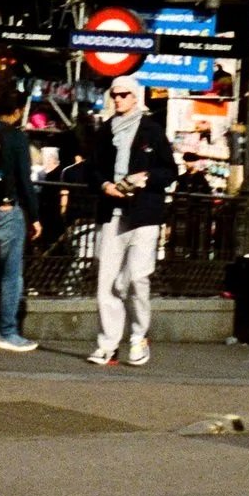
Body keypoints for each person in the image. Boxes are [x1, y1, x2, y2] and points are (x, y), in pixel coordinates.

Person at [87, 75, 177, 368]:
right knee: (105, 283)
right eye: (114, 94)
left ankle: (139, 335)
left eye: (124, 95)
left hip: (144, 213)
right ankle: (108, 344)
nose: (118, 99)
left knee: (137, 277)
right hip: (112, 211)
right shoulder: (104, 131)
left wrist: (146, 178)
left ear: (136, 97)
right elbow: (93, 169)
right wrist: (105, 186)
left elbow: (170, 171)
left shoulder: (152, 130)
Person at [0, 84, 40, 353]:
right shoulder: (17, 138)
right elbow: (25, 182)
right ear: (17, 111)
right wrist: (34, 217)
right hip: (6, 212)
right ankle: (6, 331)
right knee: (11, 275)